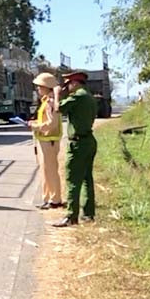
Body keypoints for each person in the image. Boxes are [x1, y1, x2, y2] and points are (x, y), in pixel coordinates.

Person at [53, 71, 98, 227]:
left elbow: (58, 109)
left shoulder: (77, 97)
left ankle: (71, 216)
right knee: (87, 179)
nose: (67, 88)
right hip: (89, 141)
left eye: (68, 85)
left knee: (73, 179)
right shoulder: (89, 97)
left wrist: (57, 94)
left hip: (78, 144)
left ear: (74, 83)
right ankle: (88, 214)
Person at [28, 72, 63, 209]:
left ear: (47, 87)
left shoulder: (50, 102)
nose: (38, 89)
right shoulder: (45, 101)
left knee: (50, 170)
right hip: (45, 140)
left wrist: (35, 126)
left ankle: (55, 199)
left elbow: (52, 123)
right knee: (45, 170)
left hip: (50, 141)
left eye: (40, 86)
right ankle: (48, 198)